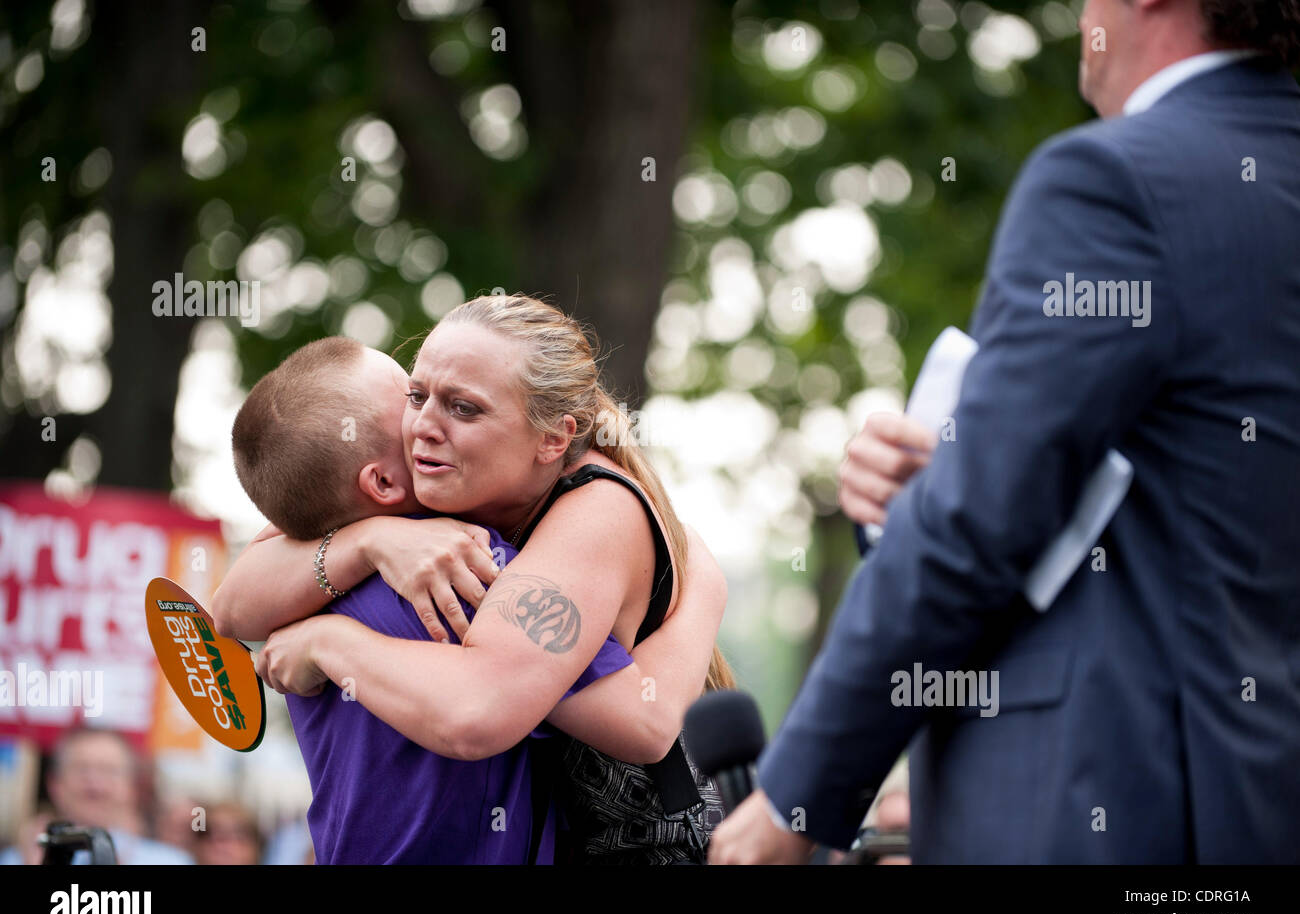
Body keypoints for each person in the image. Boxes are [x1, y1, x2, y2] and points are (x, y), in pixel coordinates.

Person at [711, 0, 1300, 863]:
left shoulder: (1113, 182)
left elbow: (979, 526)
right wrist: (937, 485)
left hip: (1116, 807)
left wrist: (797, 799)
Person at [217, 296, 733, 862]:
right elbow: (233, 605)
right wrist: (369, 542)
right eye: (416, 396)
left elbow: (638, 719)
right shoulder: (426, 494)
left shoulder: (594, 508)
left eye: (464, 408)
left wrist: (326, 642)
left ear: (553, 440)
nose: (422, 428)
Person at [0, 728, 193, 865]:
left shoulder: (171, 861)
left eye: (109, 771)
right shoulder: (15, 859)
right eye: (81, 769)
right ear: (54, 784)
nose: (95, 784)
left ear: (132, 786)